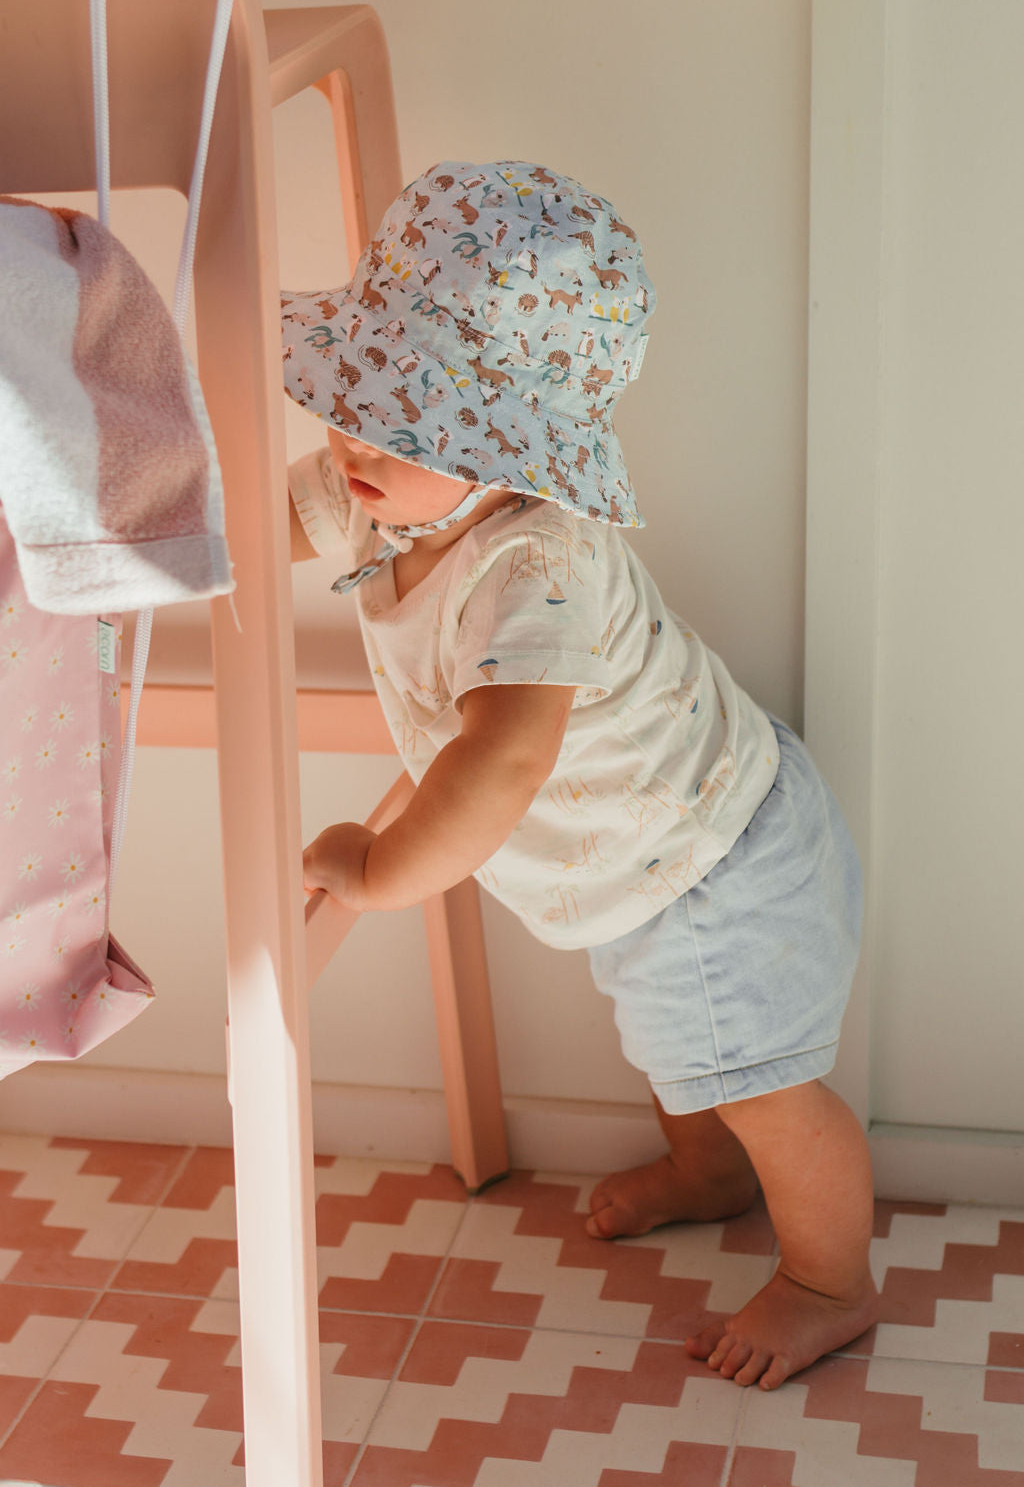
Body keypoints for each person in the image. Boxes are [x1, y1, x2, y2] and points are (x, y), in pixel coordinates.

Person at [283, 160, 878, 1390]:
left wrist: (384, 869)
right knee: (677, 1047)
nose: (351, 440)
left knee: (762, 1084)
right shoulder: (381, 490)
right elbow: (256, 522)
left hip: (714, 860)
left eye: (399, 423)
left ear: (510, 447)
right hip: (643, 858)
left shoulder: (532, 565)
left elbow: (503, 757)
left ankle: (829, 1281)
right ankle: (711, 1177)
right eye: (351, 398)